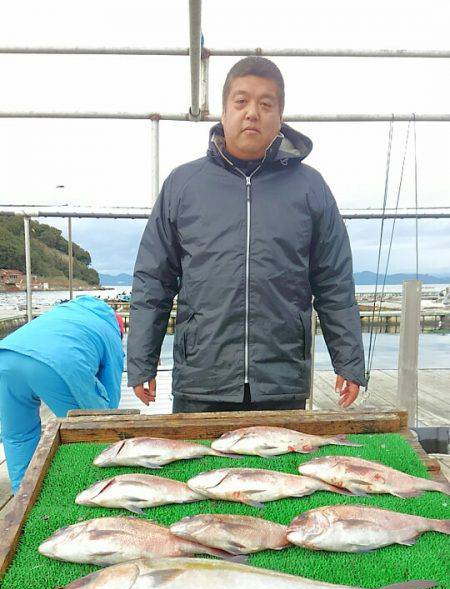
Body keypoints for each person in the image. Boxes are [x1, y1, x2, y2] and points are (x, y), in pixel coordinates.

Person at [128, 57, 365, 413]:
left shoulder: (310, 187)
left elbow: (334, 281)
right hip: (201, 379)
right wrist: (142, 360)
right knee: (199, 469)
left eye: (265, 103)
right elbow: (154, 280)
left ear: (280, 116)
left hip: (281, 380)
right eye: (241, 101)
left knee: (281, 470)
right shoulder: (183, 185)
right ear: (224, 112)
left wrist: (348, 360)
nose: (252, 112)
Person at [0, 296, 124, 493]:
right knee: (87, 431)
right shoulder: (111, 332)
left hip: (6, 357)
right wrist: (107, 423)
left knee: (18, 435)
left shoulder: (62, 313)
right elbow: (111, 389)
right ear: (120, 330)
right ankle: (88, 489)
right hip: (58, 363)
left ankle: (21, 495)